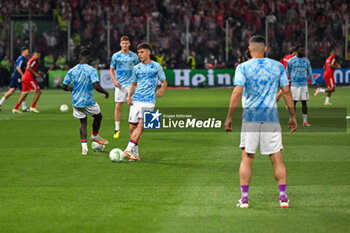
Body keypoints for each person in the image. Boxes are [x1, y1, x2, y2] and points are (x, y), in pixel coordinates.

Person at [224, 35, 297, 209]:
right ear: (265, 48)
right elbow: (286, 92)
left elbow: (237, 92)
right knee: (277, 158)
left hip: (251, 118)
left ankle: (244, 199)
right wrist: (293, 116)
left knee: (247, 158)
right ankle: (283, 198)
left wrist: (229, 117)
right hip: (271, 118)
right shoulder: (278, 66)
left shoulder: (242, 67)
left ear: (250, 49)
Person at [124, 43, 167, 161]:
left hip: (149, 101)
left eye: (142, 52)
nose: (140, 55)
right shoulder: (136, 68)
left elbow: (164, 82)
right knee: (132, 127)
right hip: (136, 100)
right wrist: (129, 96)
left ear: (148, 52)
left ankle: (127, 150)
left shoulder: (156, 66)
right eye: (138, 53)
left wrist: (162, 89)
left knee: (141, 125)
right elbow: (133, 84)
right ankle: (135, 155)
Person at [62, 49, 109, 155]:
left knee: (83, 122)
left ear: (80, 57)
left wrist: (71, 89)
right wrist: (106, 92)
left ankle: (84, 149)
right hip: (88, 101)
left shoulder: (72, 70)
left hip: (76, 102)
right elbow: (96, 85)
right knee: (98, 116)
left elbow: (64, 87)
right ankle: (94, 135)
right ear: (88, 58)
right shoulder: (91, 70)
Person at [110, 36, 139, 139]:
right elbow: (111, 69)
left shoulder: (134, 56)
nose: (125, 45)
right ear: (120, 44)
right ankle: (117, 129)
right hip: (120, 85)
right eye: (123, 43)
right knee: (118, 106)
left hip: (132, 85)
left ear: (129, 44)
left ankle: (136, 129)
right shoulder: (116, 56)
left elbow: (139, 68)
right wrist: (114, 80)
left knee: (135, 107)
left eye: (126, 43)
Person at [286, 45, 317, 127]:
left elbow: (310, 73)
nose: (303, 52)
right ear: (296, 51)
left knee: (304, 102)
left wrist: (313, 83)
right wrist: (284, 83)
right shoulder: (291, 61)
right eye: (301, 50)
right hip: (294, 85)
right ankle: (292, 120)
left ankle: (305, 121)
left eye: (303, 50)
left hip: (304, 85)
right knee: (293, 103)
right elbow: (287, 72)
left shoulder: (306, 61)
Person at [0, 47, 30, 112]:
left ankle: (0, 103)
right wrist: (23, 75)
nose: (28, 53)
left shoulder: (22, 58)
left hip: (15, 76)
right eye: (27, 51)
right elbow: (18, 67)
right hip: (18, 77)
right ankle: (24, 107)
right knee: (24, 91)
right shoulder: (21, 58)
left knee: (11, 91)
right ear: (24, 52)